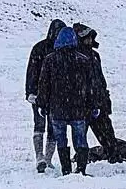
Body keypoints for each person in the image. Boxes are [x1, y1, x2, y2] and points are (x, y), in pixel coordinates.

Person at [37, 26, 105, 176]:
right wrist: (94, 104)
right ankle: (81, 169)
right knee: (80, 140)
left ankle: (66, 169)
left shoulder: (49, 60)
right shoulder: (83, 60)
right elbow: (91, 85)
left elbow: (43, 85)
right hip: (78, 109)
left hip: (57, 109)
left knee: (62, 141)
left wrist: (42, 104)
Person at [73, 22, 126, 164]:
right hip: (83, 102)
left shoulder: (94, 55)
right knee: (81, 133)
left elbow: (100, 79)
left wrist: (104, 97)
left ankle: (113, 155)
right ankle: (81, 159)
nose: (89, 40)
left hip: (98, 99)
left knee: (106, 131)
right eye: (87, 37)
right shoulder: (77, 57)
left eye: (90, 37)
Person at [25, 19, 65, 173]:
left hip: (54, 95)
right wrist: (30, 92)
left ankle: (46, 159)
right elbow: (32, 71)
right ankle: (41, 157)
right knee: (42, 125)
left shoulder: (51, 48)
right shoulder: (41, 48)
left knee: (51, 127)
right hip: (44, 94)